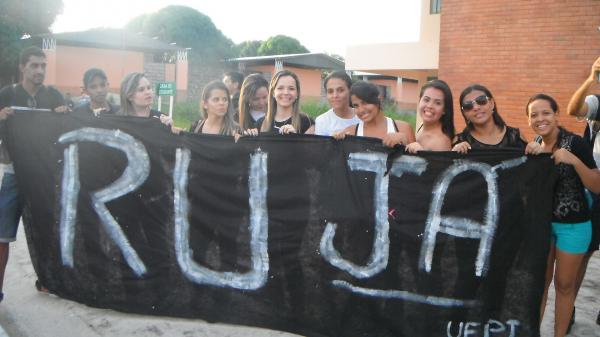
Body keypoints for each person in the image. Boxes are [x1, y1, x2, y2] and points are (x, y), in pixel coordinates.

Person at [525, 93, 600, 337]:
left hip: (574, 226)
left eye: (545, 112)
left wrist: (573, 161)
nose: (540, 119)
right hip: (544, 228)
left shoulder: (576, 143)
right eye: (533, 115)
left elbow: (597, 185)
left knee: (564, 286)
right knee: (540, 285)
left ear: (556, 115)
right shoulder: (535, 144)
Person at [0, 46, 69, 303]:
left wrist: (64, 115)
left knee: (45, 229)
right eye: (34, 65)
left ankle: (46, 281)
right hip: (14, 173)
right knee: (2, 234)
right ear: (22, 67)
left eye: (43, 66)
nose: (40, 70)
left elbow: (66, 132)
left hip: (43, 175)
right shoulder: (7, 94)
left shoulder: (53, 95)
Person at [565, 55, 600, 328]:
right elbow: (572, 109)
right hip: (596, 188)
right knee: (585, 253)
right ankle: (568, 309)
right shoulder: (598, 103)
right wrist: (591, 78)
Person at [333, 81, 415, 146]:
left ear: (378, 99)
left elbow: (417, 163)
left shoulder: (403, 129)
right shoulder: (350, 133)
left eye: (365, 103)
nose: (361, 110)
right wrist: (336, 141)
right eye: (356, 106)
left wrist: (405, 140)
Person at [453, 84, 526, 152]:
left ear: (492, 103)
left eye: (481, 100)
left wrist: (536, 147)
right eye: (468, 105)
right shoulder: (459, 141)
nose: (476, 107)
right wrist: (453, 154)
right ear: (464, 113)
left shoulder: (516, 136)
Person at [254, 70, 314, 135]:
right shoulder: (260, 123)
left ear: (297, 93)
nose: (286, 92)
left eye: (291, 88)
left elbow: (310, 145)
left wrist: (295, 137)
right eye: (280, 88)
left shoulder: (307, 122)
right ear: (273, 93)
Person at [406, 79, 455, 153]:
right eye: (426, 100)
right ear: (419, 101)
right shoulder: (422, 126)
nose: (430, 106)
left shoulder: (441, 142)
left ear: (444, 109)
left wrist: (421, 152)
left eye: (437, 103)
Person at [314, 71, 359, 136]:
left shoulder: (362, 116)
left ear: (350, 91)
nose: (335, 95)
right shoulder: (322, 121)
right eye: (330, 91)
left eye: (340, 90)